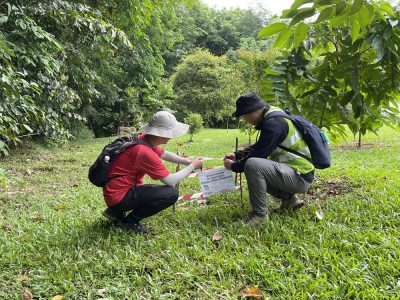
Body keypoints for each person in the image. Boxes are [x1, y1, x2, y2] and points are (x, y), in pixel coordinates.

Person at [102, 111, 203, 233]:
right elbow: (171, 181)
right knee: (171, 194)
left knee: (158, 191)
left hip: (115, 192)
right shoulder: (144, 152)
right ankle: (130, 222)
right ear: (162, 133)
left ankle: (115, 211)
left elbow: (165, 154)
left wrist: (187, 162)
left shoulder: (143, 139)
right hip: (119, 197)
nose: (171, 136)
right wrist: (192, 166)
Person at [223, 93, 315, 225]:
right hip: (297, 173)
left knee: (253, 165)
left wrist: (233, 166)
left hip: (299, 177)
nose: (245, 120)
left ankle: (259, 216)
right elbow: (261, 145)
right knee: (257, 167)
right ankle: (290, 200)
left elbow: (257, 155)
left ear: (253, 111)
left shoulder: (273, 123)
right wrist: (237, 155)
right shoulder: (273, 115)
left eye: (244, 116)